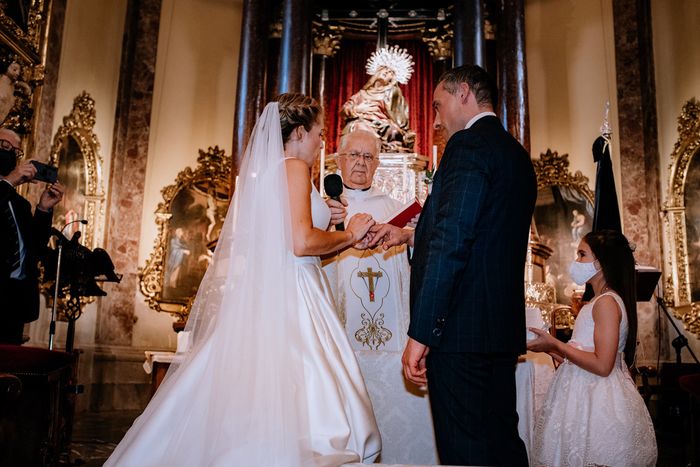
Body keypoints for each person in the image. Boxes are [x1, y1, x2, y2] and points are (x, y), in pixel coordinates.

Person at [106, 94, 381, 466]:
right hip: (295, 295)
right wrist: (350, 234)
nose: (322, 142)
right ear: (299, 132)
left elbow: (289, 239)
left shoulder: (270, 172)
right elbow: (301, 244)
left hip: (278, 289)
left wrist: (329, 223)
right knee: (310, 396)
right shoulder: (295, 168)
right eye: (319, 133)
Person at [369, 65, 536, 466]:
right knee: (501, 445)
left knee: (465, 454)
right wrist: (411, 235)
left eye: (438, 105)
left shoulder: (467, 146)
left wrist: (422, 332)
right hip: (496, 333)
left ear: (464, 93)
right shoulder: (515, 154)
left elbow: (451, 242)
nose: (437, 118)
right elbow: (484, 236)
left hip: (460, 335)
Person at [323, 129, 437, 464]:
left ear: (377, 163)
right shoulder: (321, 208)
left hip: (391, 341)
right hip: (338, 338)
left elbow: (419, 263)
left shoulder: (394, 208)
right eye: (353, 155)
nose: (360, 163)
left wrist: (416, 233)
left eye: (368, 156)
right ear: (338, 160)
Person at [527, 230, 657, 466]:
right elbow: (582, 356)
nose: (576, 261)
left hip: (598, 399)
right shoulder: (599, 301)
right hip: (581, 390)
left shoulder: (606, 303)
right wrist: (548, 347)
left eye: (581, 254)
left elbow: (602, 365)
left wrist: (556, 343)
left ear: (601, 262)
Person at [0, 128, 64, 344]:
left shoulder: (20, 205)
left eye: (15, 151)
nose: (9, 153)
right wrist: (8, 182)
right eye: (4, 146)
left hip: (15, 301)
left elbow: (35, 247)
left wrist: (44, 209)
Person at [340, 46, 416, 153]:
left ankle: (381, 146)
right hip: (362, 122)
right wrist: (358, 109)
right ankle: (371, 148)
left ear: (393, 79)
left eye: (391, 72)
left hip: (384, 125)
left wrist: (392, 92)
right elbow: (344, 110)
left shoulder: (392, 93)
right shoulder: (362, 94)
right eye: (384, 69)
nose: (386, 72)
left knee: (394, 131)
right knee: (360, 127)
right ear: (376, 73)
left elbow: (400, 118)